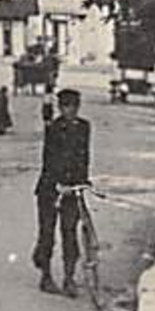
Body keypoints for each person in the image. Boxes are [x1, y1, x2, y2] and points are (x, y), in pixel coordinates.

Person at [32, 88, 91, 296]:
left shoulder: (84, 127)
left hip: (72, 189)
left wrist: (83, 181)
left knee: (70, 233)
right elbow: (49, 159)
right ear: (60, 108)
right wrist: (57, 184)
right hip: (50, 189)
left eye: (74, 107)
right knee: (48, 234)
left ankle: (69, 278)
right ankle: (46, 276)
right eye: (66, 107)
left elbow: (84, 156)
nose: (71, 111)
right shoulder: (53, 129)